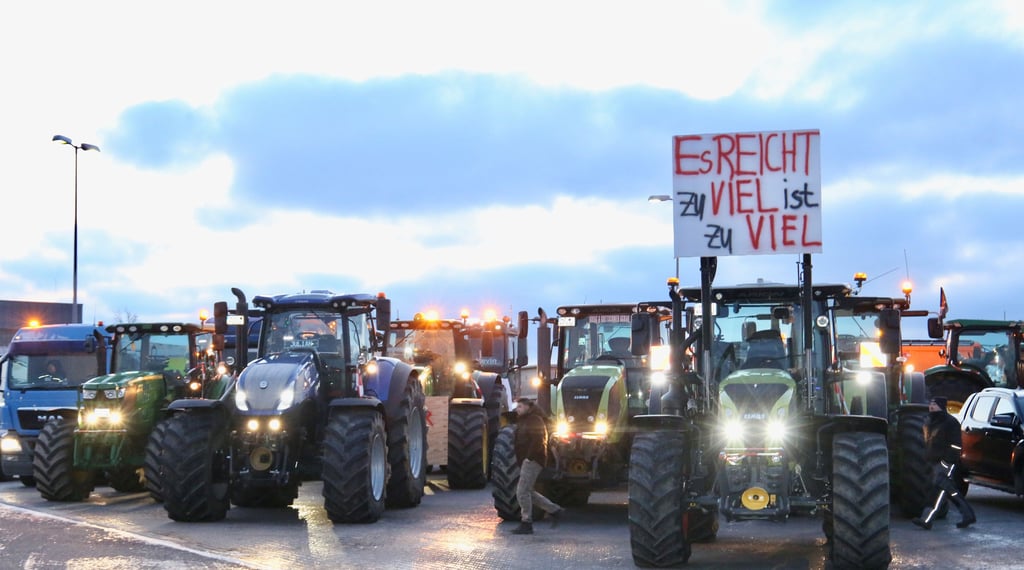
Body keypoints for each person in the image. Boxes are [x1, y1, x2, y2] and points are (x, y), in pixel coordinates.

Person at [913, 396, 976, 530]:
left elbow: (956, 445)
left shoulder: (951, 422)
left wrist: (947, 462)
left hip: (944, 463)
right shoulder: (929, 421)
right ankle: (968, 515)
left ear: (941, 406)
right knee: (950, 490)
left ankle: (927, 520)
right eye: (930, 403)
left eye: (934, 404)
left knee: (937, 492)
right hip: (933, 462)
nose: (931, 406)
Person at [511, 397, 564, 535]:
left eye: (521, 406)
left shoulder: (535, 420)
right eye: (518, 407)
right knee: (528, 491)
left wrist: (529, 458)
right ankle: (555, 510)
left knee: (522, 492)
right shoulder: (524, 421)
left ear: (528, 407)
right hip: (528, 461)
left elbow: (538, 441)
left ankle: (526, 522)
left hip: (533, 460)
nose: (518, 409)